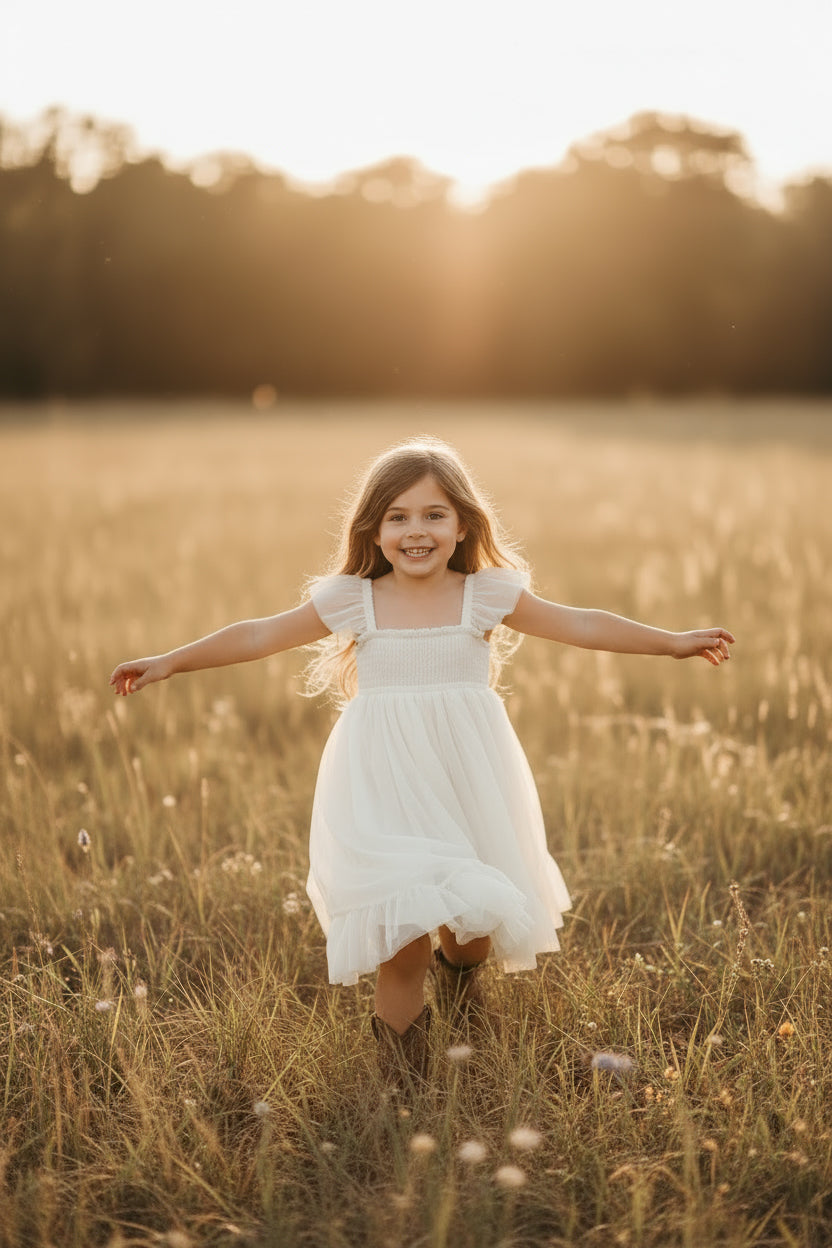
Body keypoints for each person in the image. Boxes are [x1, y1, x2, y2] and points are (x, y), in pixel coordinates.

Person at [110, 437, 734, 1086]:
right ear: (374, 532)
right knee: (401, 936)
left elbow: (581, 623)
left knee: (470, 933)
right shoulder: (354, 600)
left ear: (462, 524)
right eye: (398, 517)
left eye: (434, 515)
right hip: (381, 783)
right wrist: (171, 661)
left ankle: (461, 984)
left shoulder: (485, 594)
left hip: (468, 779)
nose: (417, 531)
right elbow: (260, 633)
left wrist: (672, 645)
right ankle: (404, 1086)